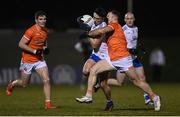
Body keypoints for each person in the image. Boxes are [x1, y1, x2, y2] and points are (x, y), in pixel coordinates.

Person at [76, 10, 161, 111]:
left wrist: (88, 31)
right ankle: (88, 96)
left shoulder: (114, 25)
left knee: (137, 81)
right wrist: (90, 31)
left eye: (109, 16)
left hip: (123, 59)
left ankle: (155, 97)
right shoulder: (111, 26)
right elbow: (98, 35)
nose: (107, 17)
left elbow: (99, 31)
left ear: (114, 17)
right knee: (93, 70)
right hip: (111, 58)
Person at [6, 10, 56, 109]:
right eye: (40, 19)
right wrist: (34, 51)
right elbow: (20, 44)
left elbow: (44, 42)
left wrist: (45, 49)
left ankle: (48, 104)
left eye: (44, 19)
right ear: (36, 20)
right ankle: (12, 83)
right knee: (24, 84)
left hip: (39, 60)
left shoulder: (46, 30)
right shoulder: (30, 31)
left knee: (46, 80)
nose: (43, 21)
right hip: (27, 61)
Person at [105, 12, 153, 105]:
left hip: (134, 58)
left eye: (131, 18)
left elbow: (134, 40)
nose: (129, 20)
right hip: (125, 59)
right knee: (120, 83)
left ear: (134, 19)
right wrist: (130, 50)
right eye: (127, 19)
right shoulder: (122, 30)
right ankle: (102, 83)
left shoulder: (136, 28)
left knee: (142, 77)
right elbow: (119, 44)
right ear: (124, 20)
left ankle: (147, 97)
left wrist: (139, 46)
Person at [76, 8, 114, 111]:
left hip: (105, 57)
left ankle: (109, 102)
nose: (94, 19)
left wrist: (87, 31)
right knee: (85, 71)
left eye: (97, 18)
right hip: (96, 55)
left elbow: (95, 45)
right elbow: (81, 20)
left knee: (103, 84)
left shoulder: (104, 28)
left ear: (102, 19)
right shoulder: (93, 23)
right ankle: (93, 87)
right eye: (93, 16)